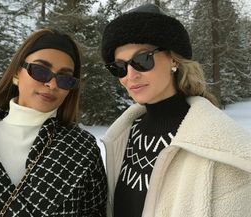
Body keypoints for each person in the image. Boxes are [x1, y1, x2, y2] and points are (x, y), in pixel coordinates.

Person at [0, 28, 107, 216]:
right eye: (40, 70)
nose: (52, 84)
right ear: (16, 73)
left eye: (65, 79)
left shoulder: (82, 150)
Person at [100, 3, 251, 217]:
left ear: (173, 59)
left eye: (143, 59)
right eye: (120, 67)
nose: (130, 75)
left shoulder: (222, 148)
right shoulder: (124, 135)